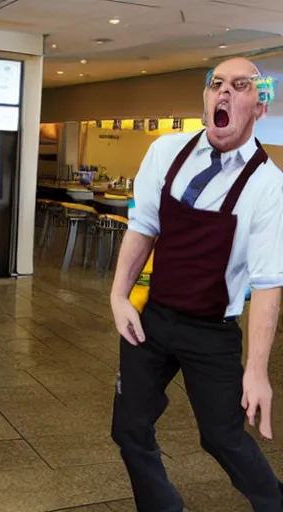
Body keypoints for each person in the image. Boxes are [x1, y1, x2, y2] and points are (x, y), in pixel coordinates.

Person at [110, 57, 283, 512]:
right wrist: (118, 296)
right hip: (153, 318)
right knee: (129, 428)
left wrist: (257, 369)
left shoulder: (268, 186)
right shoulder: (166, 151)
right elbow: (143, 227)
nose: (223, 92)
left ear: (260, 106)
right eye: (216, 84)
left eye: (240, 85)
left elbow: (267, 283)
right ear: (206, 99)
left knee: (222, 437)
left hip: (212, 330)